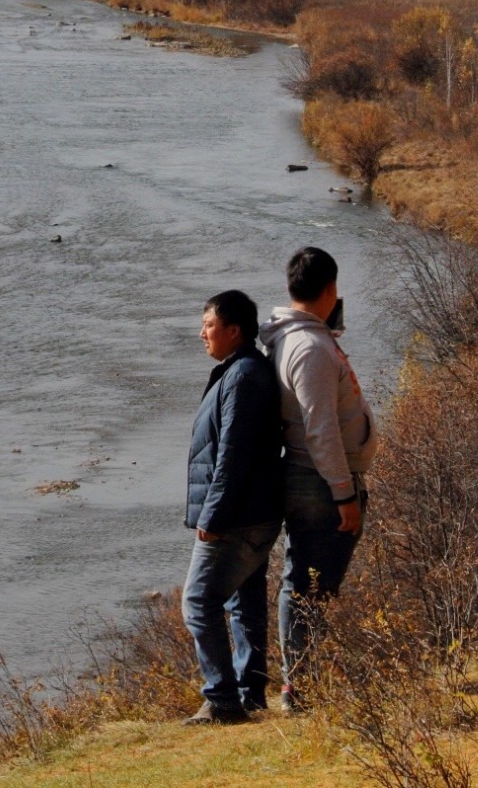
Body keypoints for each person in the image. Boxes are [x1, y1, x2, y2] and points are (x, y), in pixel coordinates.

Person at [260, 247, 375, 713]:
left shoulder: (295, 337)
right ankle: (298, 687)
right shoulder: (309, 347)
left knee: (311, 585)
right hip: (320, 482)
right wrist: (344, 492)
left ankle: (303, 681)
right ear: (329, 289)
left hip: (310, 476)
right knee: (308, 587)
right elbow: (320, 427)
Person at [179, 289, 284, 725]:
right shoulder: (244, 371)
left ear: (233, 330)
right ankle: (250, 694)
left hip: (237, 517)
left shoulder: (241, 377)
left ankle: (223, 701)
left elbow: (233, 455)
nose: (202, 332)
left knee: (199, 602)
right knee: (245, 601)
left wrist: (213, 517)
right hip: (258, 511)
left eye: (208, 324)